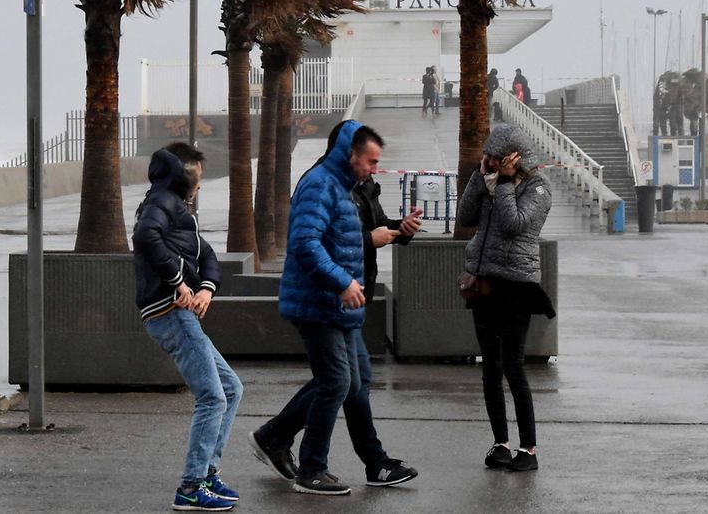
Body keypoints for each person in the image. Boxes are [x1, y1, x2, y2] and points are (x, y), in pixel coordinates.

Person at [250, 123, 422, 490]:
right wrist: (341, 282)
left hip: (340, 305)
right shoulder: (320, 184)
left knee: (353, 382)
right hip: (319, 303)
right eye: (371, 161)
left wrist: (397, 231)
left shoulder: (346, 187)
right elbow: (305, 243)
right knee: (337, 381)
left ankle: (277, 437)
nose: (375, 169)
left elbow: (345, 237)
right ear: (350, 154)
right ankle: (312, 469)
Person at [133, 143, 243, 511]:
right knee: (213, 396)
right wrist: (180, 283)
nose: (199, 181)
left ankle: (208, 474)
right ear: (180, 174)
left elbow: (207, 255)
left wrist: (206, 289)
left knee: (231, 387)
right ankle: (191, 487)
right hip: (169, 311)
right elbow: (145, 236)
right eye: (195, 172)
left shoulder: (178, 209)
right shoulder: (160, 202)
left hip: (180, 310)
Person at [456, 123, 555, 472]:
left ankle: (528, 448)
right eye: (490, 158)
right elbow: (466, 217)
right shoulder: (491, 182)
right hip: (483, 283)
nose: (493, 163)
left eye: (499, 158)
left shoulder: (538, 188)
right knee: (490, 367)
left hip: (516, 286)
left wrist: (507, 184)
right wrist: (477, 180)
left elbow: (515, 224)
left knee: (513, 366)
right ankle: (500, 442)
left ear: (516, 157)